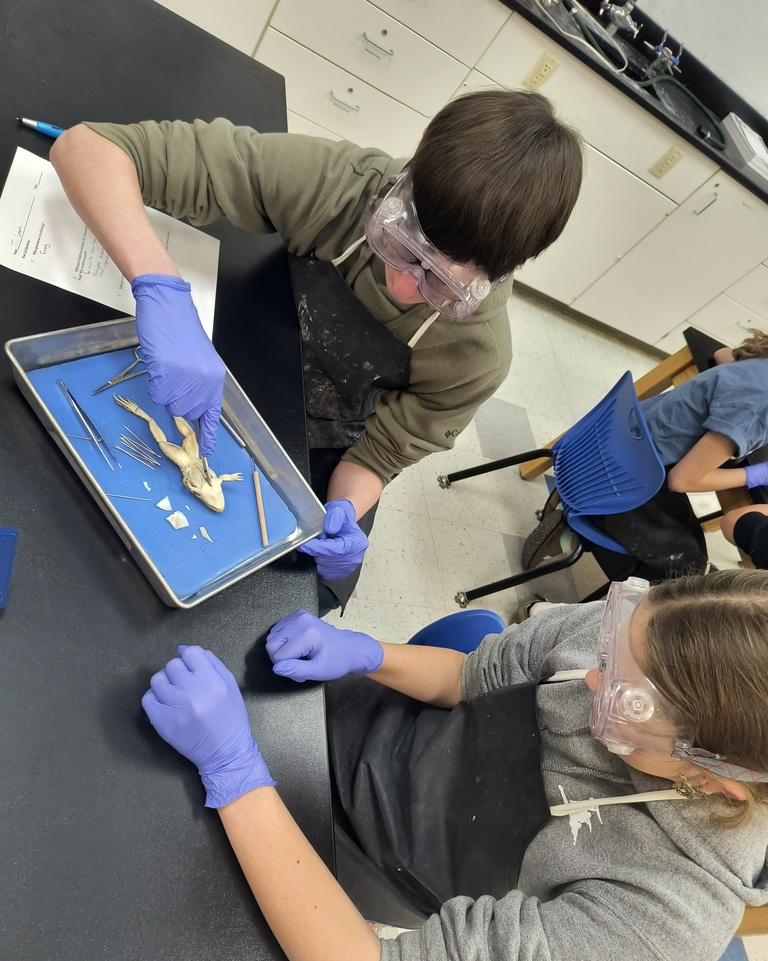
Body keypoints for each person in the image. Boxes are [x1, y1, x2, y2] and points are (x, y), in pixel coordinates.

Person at [142, 569, 768, 961]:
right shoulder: (642, 637)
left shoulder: (667, 915)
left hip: (351, 858)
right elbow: (478, 675)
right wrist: (368, 654)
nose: (594, 677)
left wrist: (235, 772)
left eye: (622, 700)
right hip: (349, 729)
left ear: (716, 779)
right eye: (614, 650)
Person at [49, 90, 584, 610]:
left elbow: (377, 456)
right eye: (400, 241)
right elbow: (87, 150)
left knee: (293, 595)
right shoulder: (341, 187)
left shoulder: (477, 356)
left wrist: (344, 509)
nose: (401, 285)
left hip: (329, 441)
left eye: (439, 282)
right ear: (418, 154)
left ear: (508, 268)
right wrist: (160, 289)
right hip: (241, 348)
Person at [527, 331, 768, 583]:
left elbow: (721, 354)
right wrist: (754, 475)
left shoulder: (760, 361)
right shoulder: (759, 409)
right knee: (686, 579)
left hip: (597, 447)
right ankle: (580, 527)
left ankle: (577, 512)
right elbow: (682, 481)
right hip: (618, 482)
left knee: (690, 534)